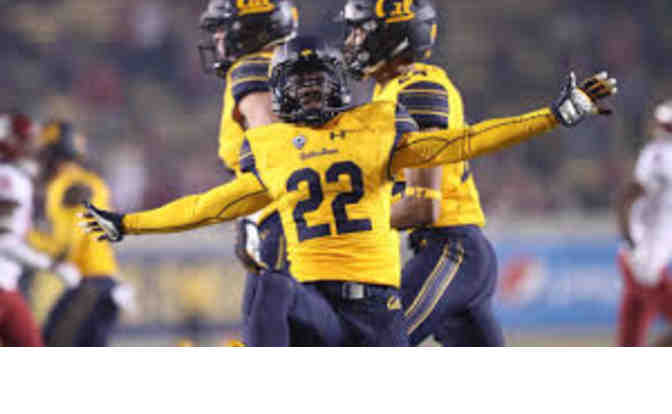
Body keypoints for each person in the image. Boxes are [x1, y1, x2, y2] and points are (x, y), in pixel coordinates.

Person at [80, 35, 617, 346]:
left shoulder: (376, 125)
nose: (312, 91)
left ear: (339, 82)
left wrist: (553, 116)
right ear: (281, 94)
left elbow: (462, 142)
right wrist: (129, 223)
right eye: (300, 83)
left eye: (319, 80)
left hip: (378, 312)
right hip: (316, 303)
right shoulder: (274, 147)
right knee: (269, 284)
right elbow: (208, 206)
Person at [341, 0, 616, 346]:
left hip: (450, 249)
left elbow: (424, 205)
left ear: (392, 36)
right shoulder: (391, 90)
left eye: (360, 31)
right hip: (450, 251)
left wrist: (347, 220)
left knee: (374, 346)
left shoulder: (418, 88)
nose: (351, 42)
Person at [198, 0, 299, 344]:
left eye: (223, 29)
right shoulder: (281, 67)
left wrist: (252, 216)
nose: (217, 39)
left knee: (267, 330)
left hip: (283, 216)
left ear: (249, 29)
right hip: (288, 213)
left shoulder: (255, 69)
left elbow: (274, 152)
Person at [32, 120, 131, 346]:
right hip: (105, 284)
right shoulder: (93, 182)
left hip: (89, 286)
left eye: (43, 154)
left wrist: (26, 238)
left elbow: (65, 247)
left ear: (53, 155)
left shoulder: (66, 185)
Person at [0, 112, 78, 346]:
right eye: (29, 140)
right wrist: (52, 266)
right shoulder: (9, 179)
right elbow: (5, 243)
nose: (36, 147)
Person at [616, 100, 672, 346]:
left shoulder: (657, 152)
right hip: (644, 263)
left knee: (630, 341)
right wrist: (629, 237)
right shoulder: (661, 154)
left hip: (644, 260)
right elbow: (628, 195)